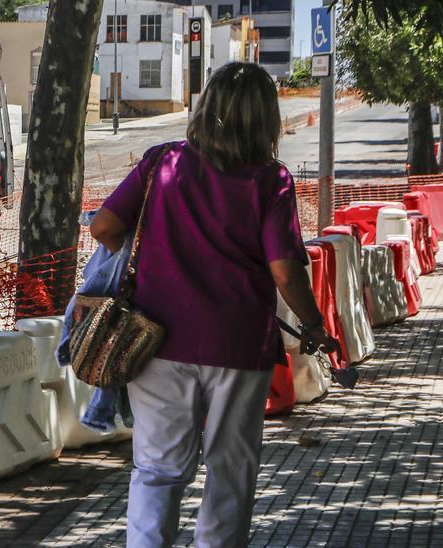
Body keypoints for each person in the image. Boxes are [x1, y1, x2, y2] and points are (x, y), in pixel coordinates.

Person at [88, 62, 339, 547]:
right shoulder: (271, 180)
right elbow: (285, 270)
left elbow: (102, 227)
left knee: (158, 469)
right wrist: (314, 326)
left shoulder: (161, 163)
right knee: (230, 468)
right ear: (265, 119)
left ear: (206, 110)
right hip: (238, 345)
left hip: (156, 342)